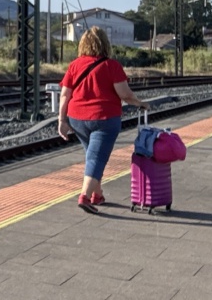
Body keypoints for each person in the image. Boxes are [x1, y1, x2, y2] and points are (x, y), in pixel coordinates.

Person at [58, 26, 150, 214]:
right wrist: (141, 103)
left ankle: (96, 195)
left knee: (92, 156)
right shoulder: (112, 66)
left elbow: (64, 95)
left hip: (77, 119)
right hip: (105, 119)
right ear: (105, 44)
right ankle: (84, 196)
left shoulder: (75, 65)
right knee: (97, 158)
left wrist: (62, 120)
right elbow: (125, 94)